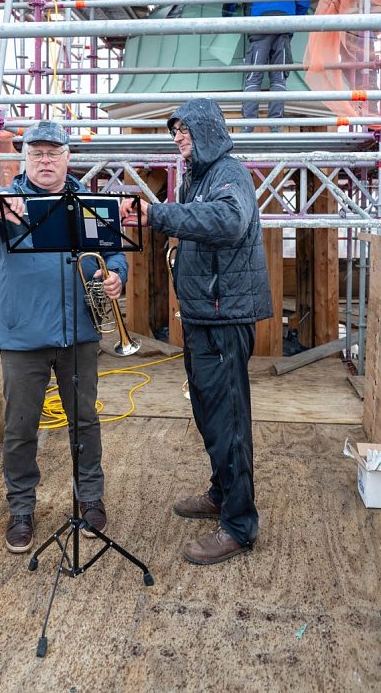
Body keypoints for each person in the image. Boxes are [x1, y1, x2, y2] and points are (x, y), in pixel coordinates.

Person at [0, 121, 127, 554]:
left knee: (85, 420)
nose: (45, 161)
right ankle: (21, 508)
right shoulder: (8, 203)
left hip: (79, 334)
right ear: (25, 159)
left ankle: (90, 498)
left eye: (53, 152)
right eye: (37, 153)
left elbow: (114, 251)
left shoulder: (88, 202)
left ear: (68, 157)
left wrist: (116, 275)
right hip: (23, 338)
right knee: (21, 427)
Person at [120, 98, 272, 565]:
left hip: (225, 319)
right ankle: (221, 494)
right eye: (175, 132)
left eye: (185, 129)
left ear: (207, 129)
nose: (179, 138)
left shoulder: (230, 173)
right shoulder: (198, 179)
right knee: (209, 413)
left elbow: (228, 222)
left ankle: (239, 526)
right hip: (206, 315)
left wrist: (157, 214)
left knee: (228, 421)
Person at [222, 0, 309, 130]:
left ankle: (248, 126)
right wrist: (295, 20)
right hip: (285, 26)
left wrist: (227, 13)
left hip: (259, 25)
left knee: (253, 77)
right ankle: (275, 126)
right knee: (278, 79)